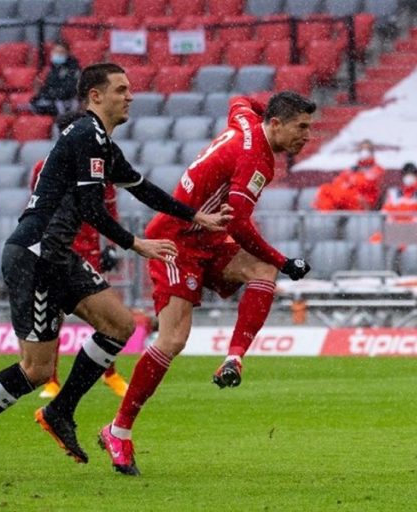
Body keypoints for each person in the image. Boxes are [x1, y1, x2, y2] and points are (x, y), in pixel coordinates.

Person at [0, 62, 232, 479]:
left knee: (119, 324)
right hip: (36, 255)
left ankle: (60, 410)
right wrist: (137, 244)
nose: (130, 96)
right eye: (121, 89)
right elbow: (93, 209)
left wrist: (194, 216)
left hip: (57, 255)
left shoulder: (102, 144)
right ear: (95, 96)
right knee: (36, 368)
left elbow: (143, 188)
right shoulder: (86, 136)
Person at [98, 91, 315, 477]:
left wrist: (272, 110)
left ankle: (234, 357)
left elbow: (240, 98)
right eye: (301, 127)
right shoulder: (255, 160)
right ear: (277, 125)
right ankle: (118, 430)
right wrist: (284, 260)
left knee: (262, 271)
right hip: (177, 239)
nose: (307, 136)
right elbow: (240, 226)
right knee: (173, 340)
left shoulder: (246, 122)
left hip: (207, 237)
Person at [28, 110, 129, 399]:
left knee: (106, 318)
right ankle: (52, 380)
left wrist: (111, 245)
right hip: (57, 250)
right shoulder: (43, 167)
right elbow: (37, 208)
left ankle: (109, 374)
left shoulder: (100, 166)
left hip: (89, 251)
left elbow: (110, 209)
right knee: (54, 316)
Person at [313, 139, 385, 210]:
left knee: (334, 193)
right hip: (348, 199)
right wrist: (347, 184)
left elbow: (364, 184)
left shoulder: (377, 169)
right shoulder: (353, 168)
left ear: (372, 152)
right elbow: (338, 182)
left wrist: (349, 183)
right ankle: (326, 217)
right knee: (325, 190)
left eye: (367, 149)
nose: (364, 152)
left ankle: (327, 215)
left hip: (362, 202)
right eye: (362, 149)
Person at [31, 42, 82, 116]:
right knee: (31, 104)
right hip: (52, 100)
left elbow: (69, 89)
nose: (58, 54)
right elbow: (48, 86)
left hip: (65, 102)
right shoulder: (54, 68)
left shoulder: (73, 69)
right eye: (56, 52)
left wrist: (51, 95)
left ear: (67, 53)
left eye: (61, 52)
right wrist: (40, 95)